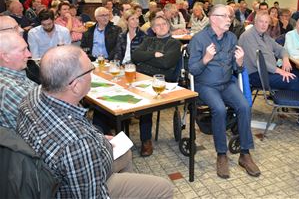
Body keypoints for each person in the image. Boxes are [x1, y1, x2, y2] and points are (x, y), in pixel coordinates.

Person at [16, 45, 173, 198]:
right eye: (89, 71)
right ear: (76, 86)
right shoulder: (78, 143)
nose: (92, 76)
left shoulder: (33, 95)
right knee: (163, 188)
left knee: (124, 151)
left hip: (50, 177)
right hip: (74, 187)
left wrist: (98, 140)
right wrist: (93, 142)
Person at [189, 4, 260, 179]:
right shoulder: (199, 39)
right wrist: (206, 59)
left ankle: (245, 153)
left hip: (227, 83)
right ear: (213, 18)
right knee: (219, 109)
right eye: (225, 16)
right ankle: (222, 155)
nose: (229, 19)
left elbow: (237, 69)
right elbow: (192, 70)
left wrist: (240, 62)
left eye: (230, 16)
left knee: (244, 106)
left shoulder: (231, 38)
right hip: (206, 85)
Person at [239, 12, 299, 127]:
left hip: (271, 71)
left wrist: (285, 59)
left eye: (266, 22)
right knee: (293, 80)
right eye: (261, 22)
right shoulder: (248, 36)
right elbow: (258, 63)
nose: (263, 25)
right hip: (257, 75)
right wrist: (279, 71)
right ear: (255, 22)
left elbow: (281, 49)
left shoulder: (264, 36)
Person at [132, 16, 182, 156]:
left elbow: (166, 64)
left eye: (164, 24)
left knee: (146, 104)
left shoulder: (174, 43)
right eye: (157, 25)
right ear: (153, 29)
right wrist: (154, 54)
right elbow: (136, 56)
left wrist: (146, 60)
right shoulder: (148, 40)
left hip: (162, 81)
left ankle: (145, 140)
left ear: (168, 25)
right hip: (141, 78)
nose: (161, 26)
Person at [0, 31, 35, 129]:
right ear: (6, 57)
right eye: (23, 50)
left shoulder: (16, 74)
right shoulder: (10, 88)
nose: (29, 54)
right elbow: (48, 120)